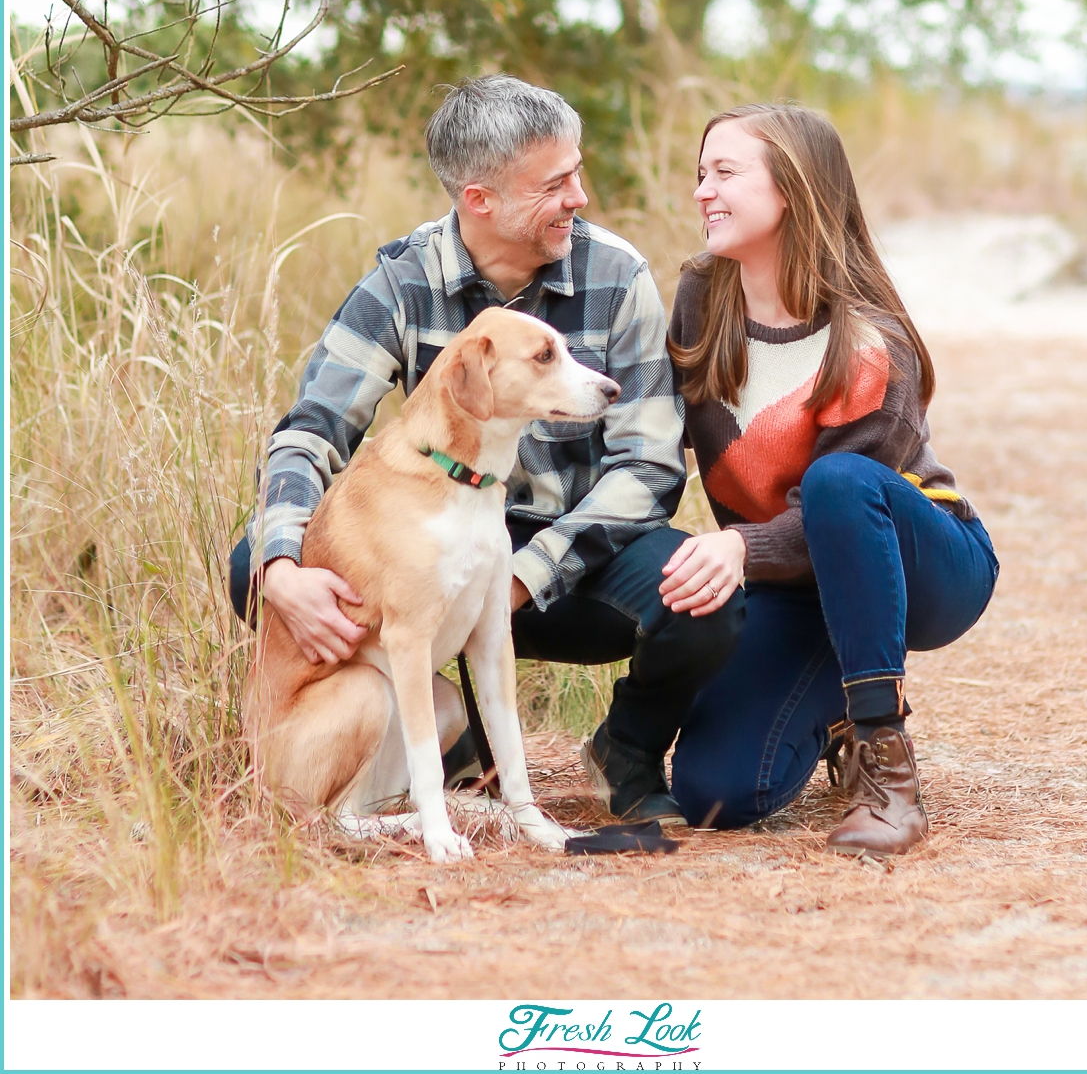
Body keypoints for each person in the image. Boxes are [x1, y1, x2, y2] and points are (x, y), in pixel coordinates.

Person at [229, 75, 743, 824]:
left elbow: (652, 463)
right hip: (437, 542)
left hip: (570, 562)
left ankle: (626, 749)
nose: (581, 196)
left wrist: (521, 576)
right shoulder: (402, 283)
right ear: (481, 200)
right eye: (557, 182)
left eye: (577, 171)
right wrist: (280, 565)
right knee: (255, 563)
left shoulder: (616, 274)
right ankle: (449, 747)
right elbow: (310, 432)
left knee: (704, 598)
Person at [661, 104, 998, 852]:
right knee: (713, 791)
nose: (701, 192)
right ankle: (836, 708)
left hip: (924, 562)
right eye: (699, 173)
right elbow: (655, 446)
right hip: (793, 581)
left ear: (791, 187)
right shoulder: (699, 302)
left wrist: (742, 549)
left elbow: (846, 500)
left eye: (724, 172)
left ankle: (887, 766)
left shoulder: (869, 333)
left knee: (838, 482)